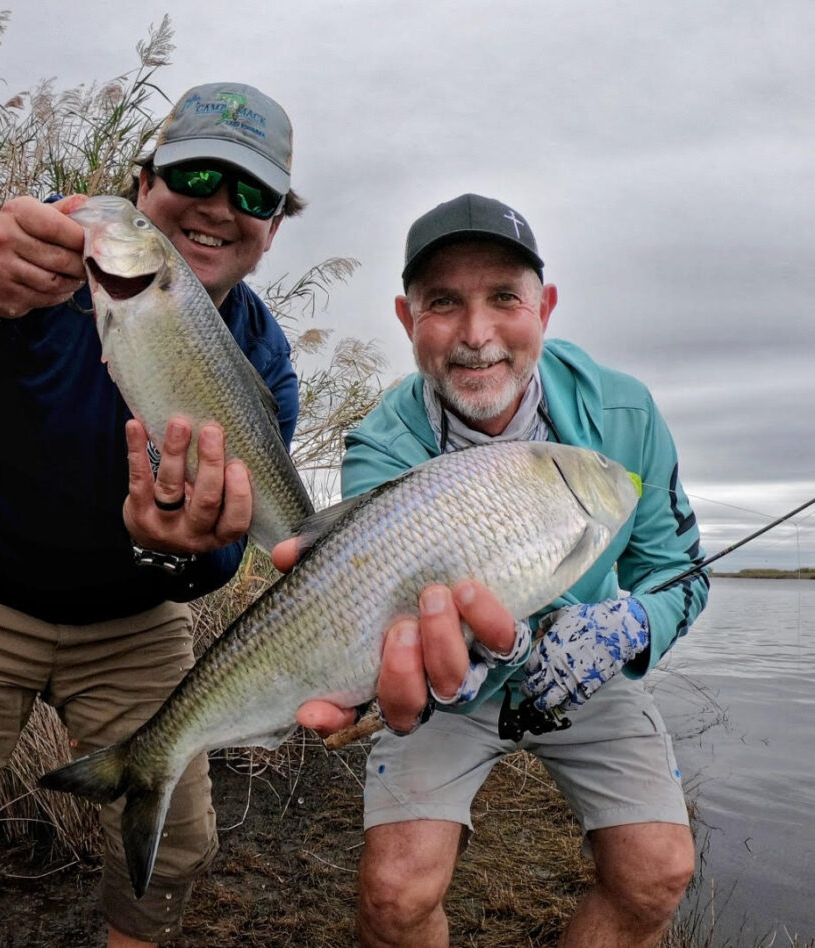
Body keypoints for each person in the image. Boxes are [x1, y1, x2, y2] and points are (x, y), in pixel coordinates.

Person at [0, 81, 303, 948]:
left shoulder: (264, 364)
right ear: (141, 183)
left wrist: (170, 554)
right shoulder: (33, 275)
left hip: (133, 621)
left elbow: (221, 559)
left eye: (252, 193)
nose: (216, 207)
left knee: (175, 846)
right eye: (194, 174)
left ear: (275, 226)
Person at [287, 193, 709, 947]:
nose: (477, 336)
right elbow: (397, 635)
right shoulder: (379, 448)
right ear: (406, 318)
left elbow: (678, 568)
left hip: (592, 673)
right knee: (394, 895)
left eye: (505, 299)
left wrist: (634, 624)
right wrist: (463, 663)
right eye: (443, 302)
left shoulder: (627, 417)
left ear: (544, 307)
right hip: (457, 693)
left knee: (658, 872)